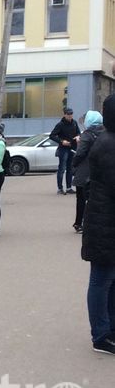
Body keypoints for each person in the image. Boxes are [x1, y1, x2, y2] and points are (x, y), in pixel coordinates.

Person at [81, 94, 115, 355]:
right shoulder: (107, 144)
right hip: (104, 224)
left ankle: (109, 328)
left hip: (106, 221)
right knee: (101, 280)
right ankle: (101, 335)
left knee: (110, 280)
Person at [72, 110, 104, 233]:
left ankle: (79, 223)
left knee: (81, 198)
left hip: (85, 171)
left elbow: (80, 153)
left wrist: (74, 164)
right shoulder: (104, 133)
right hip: (99, 171)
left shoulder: (87, 134)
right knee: (96, 198)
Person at [49, 107, 81, 195]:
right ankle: (60, 188)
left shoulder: (74, 123)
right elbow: (52, 135)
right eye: (68, 114)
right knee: (62, 168)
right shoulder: (60, 124)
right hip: (63, 149)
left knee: (70, 168)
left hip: (72, 148)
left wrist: (78, 136)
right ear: (64, 114)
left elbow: (78, 132)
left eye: (71, 114)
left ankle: (69, 187)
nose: (70, 115)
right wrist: (62, 141)